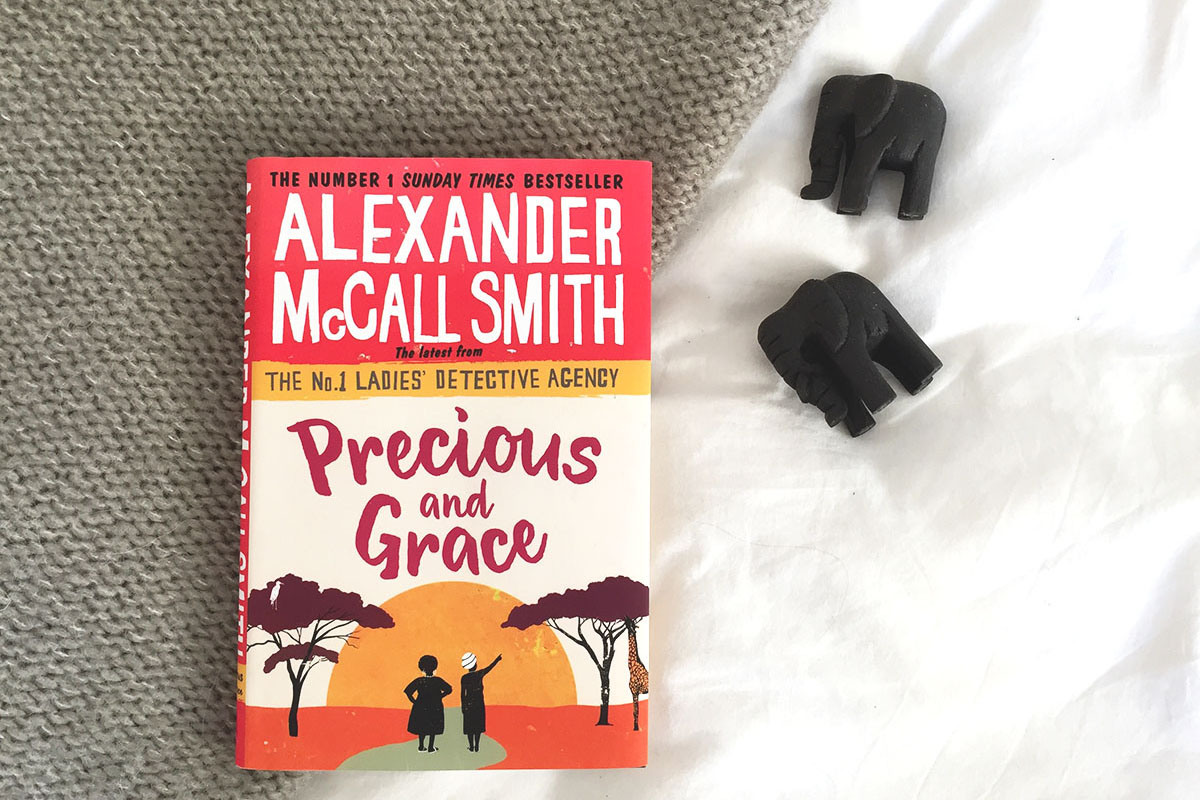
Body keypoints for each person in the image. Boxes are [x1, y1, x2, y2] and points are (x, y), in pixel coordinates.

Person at [404, 655, 453, 753]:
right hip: (435, 706)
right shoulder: (438, 680)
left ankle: (421, 746)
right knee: (433, 727)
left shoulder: (419, 681)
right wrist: (440, 696)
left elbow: (408, 692)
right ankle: (431, 747)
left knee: (422, 727)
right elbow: (449, 689)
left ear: (422, 669)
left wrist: (415, 702)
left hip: (421, 707)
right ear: (435, 668)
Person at [459, 652, 501, 752]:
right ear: (475, 665)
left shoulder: (464, 678)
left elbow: (462, 694)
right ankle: (477, 746)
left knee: (470, 727)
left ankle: (471, 747)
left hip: (468, 704)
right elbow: (489, 667)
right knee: (477, 726)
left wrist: (463, 706)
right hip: (479, 704)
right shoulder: (479, 674)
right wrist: (497, 660)